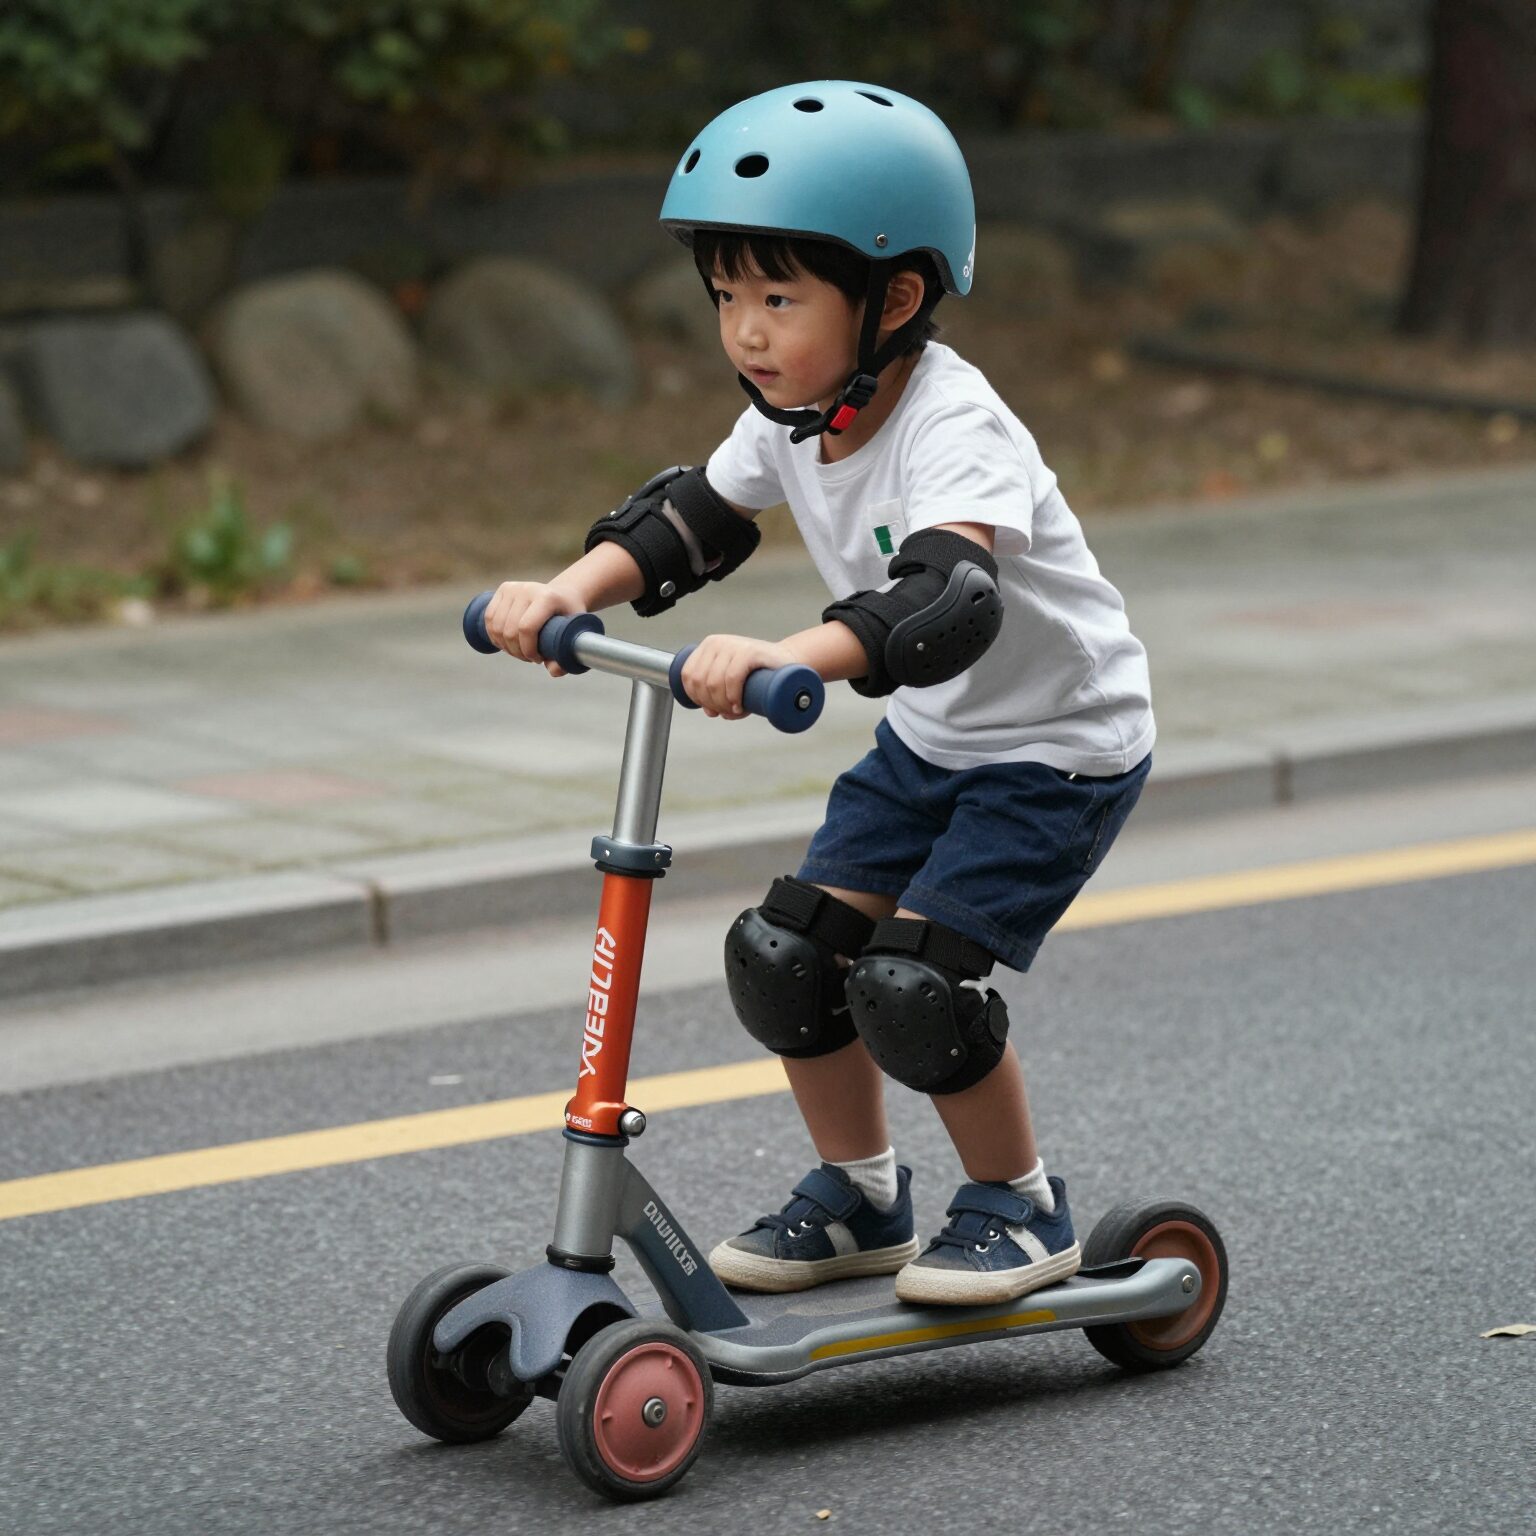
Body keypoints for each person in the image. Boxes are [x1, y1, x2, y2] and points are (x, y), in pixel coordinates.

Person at [482, 82, 1154, 1307]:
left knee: (912, 985)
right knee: (787, 956)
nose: (744, 329)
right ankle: (862, 1196)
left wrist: (792, 653)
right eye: (729, 295)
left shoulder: (958, 427)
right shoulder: (795, 414)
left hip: (1059, 748)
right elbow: (691, 518)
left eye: (780, 297)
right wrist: (562, 591)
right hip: (934, 740)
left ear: (894, 299)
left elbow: (947, 601)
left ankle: (1022, 1203)